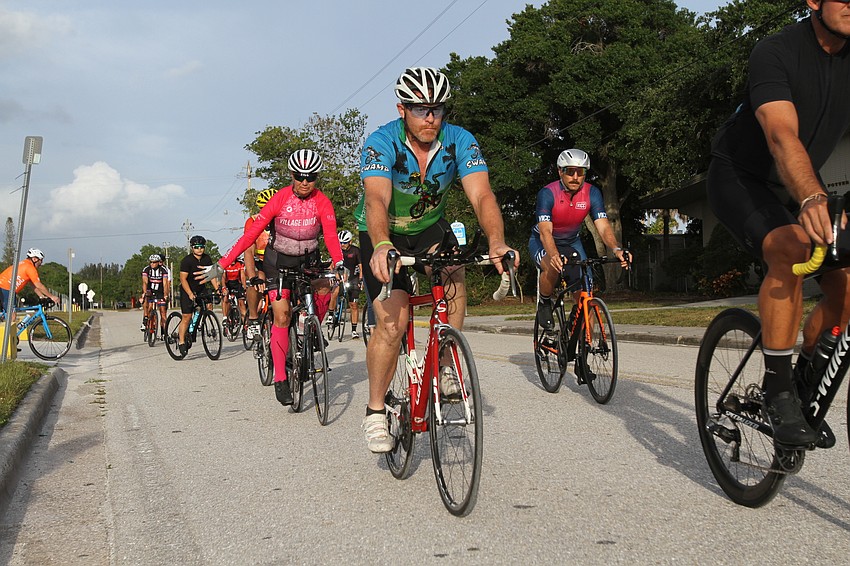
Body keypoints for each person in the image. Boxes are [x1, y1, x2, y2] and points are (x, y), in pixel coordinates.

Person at [706, 0, 850, 448]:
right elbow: (780, 134)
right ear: (813, 1)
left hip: (799, 181)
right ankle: (778, 387)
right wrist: (810, 195)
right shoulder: (776, 51)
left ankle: (807, 373)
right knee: (791, 249)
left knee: (847, 282)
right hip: (741, 175)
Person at [355, 66, 519, 453]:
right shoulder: (381, 142)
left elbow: (482, 196)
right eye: (419, 109)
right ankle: (376, 410)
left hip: (428, 227)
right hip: (383, 232)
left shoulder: (460, 140)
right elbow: (376, 198)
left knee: (454, 271)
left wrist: (497, 241)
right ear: (401, 109)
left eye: (437, 109)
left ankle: (446, 361)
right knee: (393, 324)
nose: (430, 118)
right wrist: (380, 244)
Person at [197, 149, 344, 407]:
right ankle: (280, 378)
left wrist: (340, 262)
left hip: (308, 260)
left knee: (324, 289)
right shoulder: (280, 199)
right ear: (292, 175)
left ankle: (310, 331)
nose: (305, 182)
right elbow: (250, 236)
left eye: (311, 177)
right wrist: (222, 264)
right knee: (282, 315)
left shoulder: (322, 202)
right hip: (279, 263)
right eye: (300, 176)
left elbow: (331, 236)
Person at [530, 149, 630, 333]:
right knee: (552, 265)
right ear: (560, 171)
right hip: (543, 240)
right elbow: (545, 231)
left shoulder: (592, 193)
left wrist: (616, 248)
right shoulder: (547, 193)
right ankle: (544, 302)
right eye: (570, 171)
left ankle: (584, 351)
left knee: (586, 297)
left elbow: (603, 226)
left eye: (581, 172)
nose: (575, 177)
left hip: (571, 243)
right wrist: (553, 255)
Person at [243, 188, 278, 340]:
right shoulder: (253, 221)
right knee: (257, 282)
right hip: (260, 261)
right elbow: (249, 251)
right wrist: (252, 277)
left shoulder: (286, 220)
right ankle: (253, 319)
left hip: (279, 261)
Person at [177, 235, 219, 356]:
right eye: (196, 247)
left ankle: (202, 321)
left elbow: (211, 275)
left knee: (208, 305)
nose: (199, 249)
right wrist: (190, 293)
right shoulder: (187, 261)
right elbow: (183, 279)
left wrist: (217, 289)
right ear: (192, 248)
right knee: (187, 316)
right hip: (187, 289)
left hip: (201, 289)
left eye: (201, 247)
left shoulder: (207, 259)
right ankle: (181, 341)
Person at [0, 248, 60, 313]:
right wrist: (51, 296)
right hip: (6, 289)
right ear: (34, 259)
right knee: (12, 316)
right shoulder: (30, 268)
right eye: (41, 260)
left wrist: (41, 296)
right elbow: (39, 285)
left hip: (5, 288)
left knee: (9, 314)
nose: (41, 263)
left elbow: (33, 285)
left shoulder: (24, 263)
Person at [333, 229, 362, 340]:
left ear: (350, 242)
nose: (342, 245)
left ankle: (354, 330)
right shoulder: (337, 251)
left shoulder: (355, 251)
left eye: (344, 242)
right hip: (341, 277)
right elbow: (333, 265)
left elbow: (361, 266)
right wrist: (336, 276)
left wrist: (360, 280)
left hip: (353, 279)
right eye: (340, 243)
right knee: (335, 292)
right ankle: (332, 314)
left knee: (354, 305)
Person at [141, 254, 170, 338]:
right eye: (151, 262)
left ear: (158, 262)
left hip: (160, 291)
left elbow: (165, 283)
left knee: (163, 312)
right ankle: (145, 319)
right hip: (150, 289)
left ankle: (164, 332)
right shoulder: (146, 269)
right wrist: (144, 292)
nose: (152, 264)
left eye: (154, 262)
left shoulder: (163, 270)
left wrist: (165, 294)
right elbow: (145, 282)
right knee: (147, 303)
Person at [221, 256, 247, 328]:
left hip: (237, 283)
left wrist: (244, 288)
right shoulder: (225, 264)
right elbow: (223, 278)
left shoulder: (240, 264)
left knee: (241, 303)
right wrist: (224, 288)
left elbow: (242, 276)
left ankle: (246, 325)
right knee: (225, 298)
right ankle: (225, 318)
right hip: (228, 283)